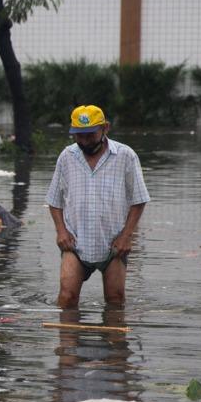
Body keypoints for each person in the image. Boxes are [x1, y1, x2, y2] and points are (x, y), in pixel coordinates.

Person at [45, 105, 149, 308]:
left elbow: (139, 199)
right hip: (75, 243)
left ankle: (112, 337)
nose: (84, 141)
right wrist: (61, 232)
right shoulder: (67, 157)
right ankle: (68, 338)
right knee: (67, 298)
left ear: (105, 128)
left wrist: (126, 236)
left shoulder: (125, 156)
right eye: (79, 136)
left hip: (113, 245)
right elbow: (54, 200)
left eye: (90, 135)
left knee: (115, 300)